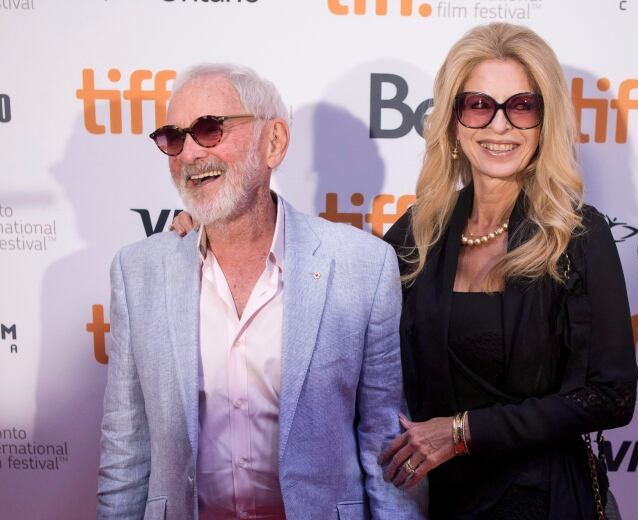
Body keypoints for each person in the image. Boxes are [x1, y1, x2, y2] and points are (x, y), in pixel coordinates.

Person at [97, 63, 425, 520]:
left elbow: (385, 443)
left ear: (273, 142)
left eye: (209, 130)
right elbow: (125, 449)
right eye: (173, 138)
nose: (189, 153)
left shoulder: (361, 267)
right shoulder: (138, 271)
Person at [377, 23, 638, 519]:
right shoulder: (420, 230)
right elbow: (341, 290)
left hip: (541, 501)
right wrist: (213, 232)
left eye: (521, 106)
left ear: (544, 123)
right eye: (478, 105)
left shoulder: (577, 235)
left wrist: (462, 432)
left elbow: (611, 395)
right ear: (453, 122)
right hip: (441, 501)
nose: (500, 126)